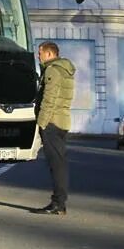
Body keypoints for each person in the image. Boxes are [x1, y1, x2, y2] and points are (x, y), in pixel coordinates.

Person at [33, 41, 76, 216]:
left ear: (50, 54)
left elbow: (49, 100)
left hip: (52, 123)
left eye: (40, 53)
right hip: (62, 122)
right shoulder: (65, 70)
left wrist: (41, 124)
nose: (38, 56)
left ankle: (58, 203)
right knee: (59, 164)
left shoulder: (53, 70)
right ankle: (59, 202)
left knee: (56, 165)